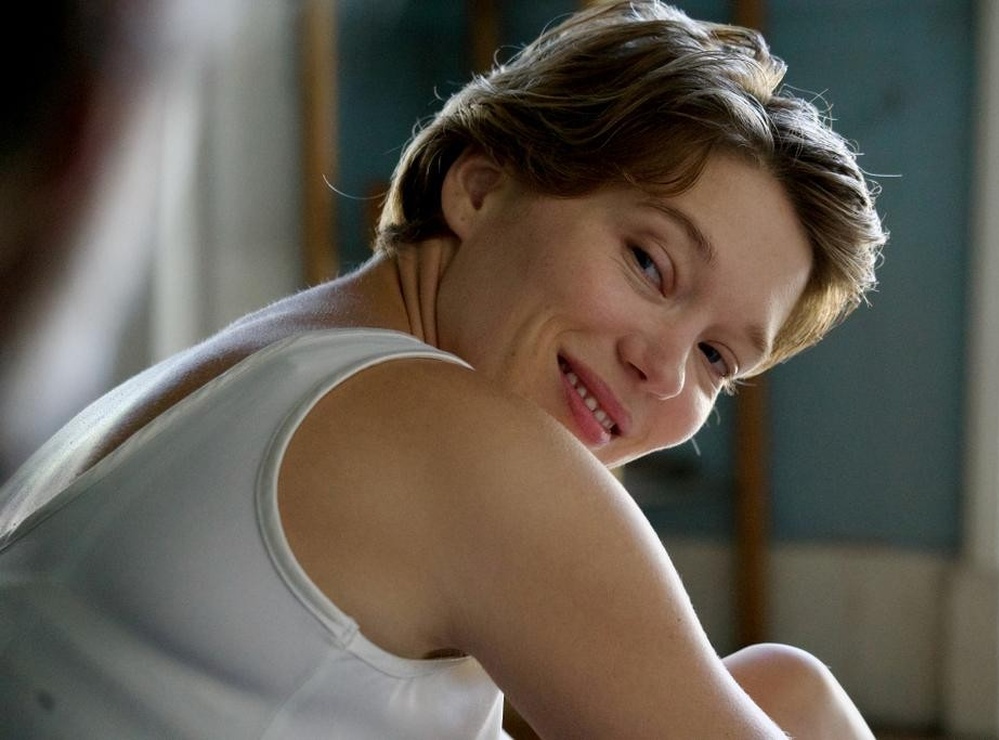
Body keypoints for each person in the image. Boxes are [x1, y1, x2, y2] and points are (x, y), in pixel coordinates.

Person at [0, 1, 886, 737]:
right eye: (649, 263)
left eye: (715, 356)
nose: (661, 368)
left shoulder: (274, 358)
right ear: (481, 187)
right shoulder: (458, 439)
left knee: (787, 690)